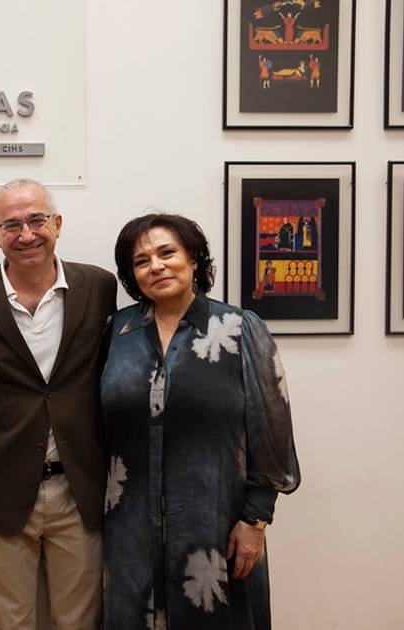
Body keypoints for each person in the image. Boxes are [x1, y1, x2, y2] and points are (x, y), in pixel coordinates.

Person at [101, 213, 300, 630]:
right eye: (140, 261)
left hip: (217, 528)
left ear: (194, 259)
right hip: (131, 531)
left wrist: (255, 519)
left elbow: (273, 433)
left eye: (166, 252)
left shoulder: (237, 329)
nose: (155, 266)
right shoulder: (117, 332)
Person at [0, 178, 117, 630]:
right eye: (11, 225)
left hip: (80, 489)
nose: (26, 234)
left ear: (57, 224)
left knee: (79, 621)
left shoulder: (98, 287)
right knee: (9, 622)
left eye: (37, 220)